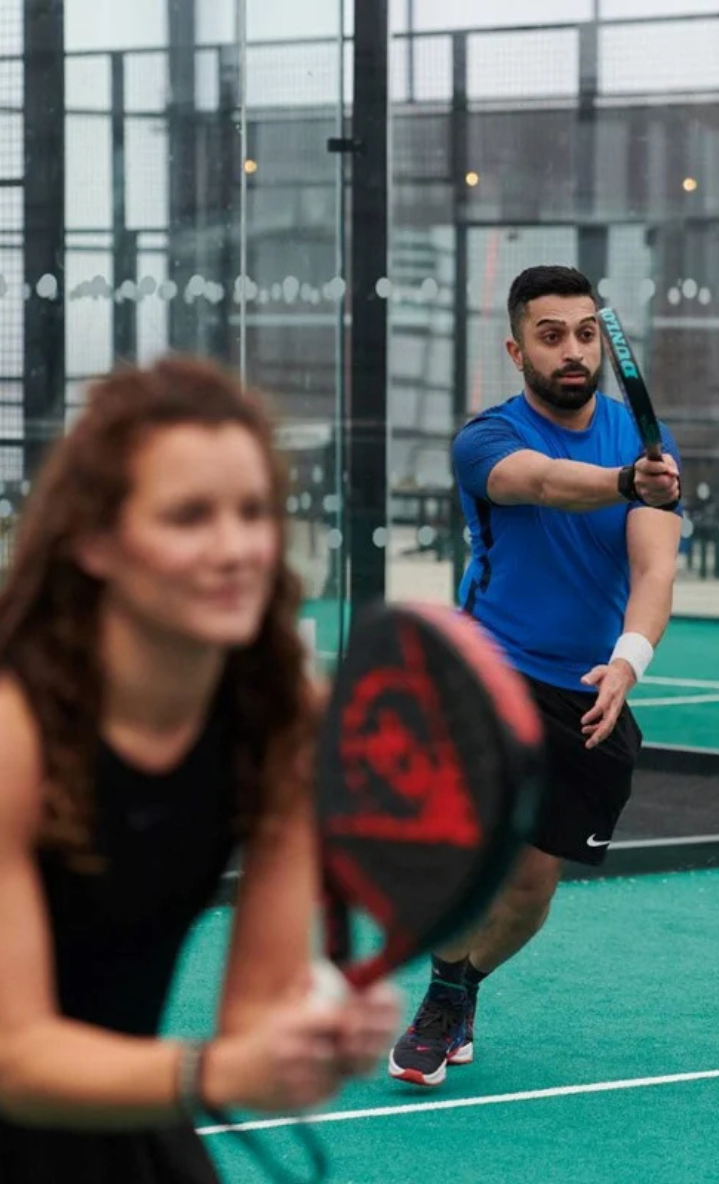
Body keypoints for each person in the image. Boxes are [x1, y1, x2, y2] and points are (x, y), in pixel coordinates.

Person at [0, 356, 399, 1182]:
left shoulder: (280, 714)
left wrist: (313, 1039)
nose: (235, 549)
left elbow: (254, 1013)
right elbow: (13, 1055)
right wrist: (217, 1072)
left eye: (253, 512)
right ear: (95, 542)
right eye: (188, 517)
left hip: (117, 1111)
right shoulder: (12, 731)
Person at [389, 265, 682, 1087]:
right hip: (489, 669)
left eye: (586, 332)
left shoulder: (646, 446)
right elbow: (546, 485)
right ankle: (440, 1003)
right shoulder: (485, 438)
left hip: (586, 689)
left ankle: (458, 985)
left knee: (528, 888)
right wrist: (627, 482)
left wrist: (629, 663)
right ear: (518, 350)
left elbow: (653, 573)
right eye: (551, 336)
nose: (573, 350)